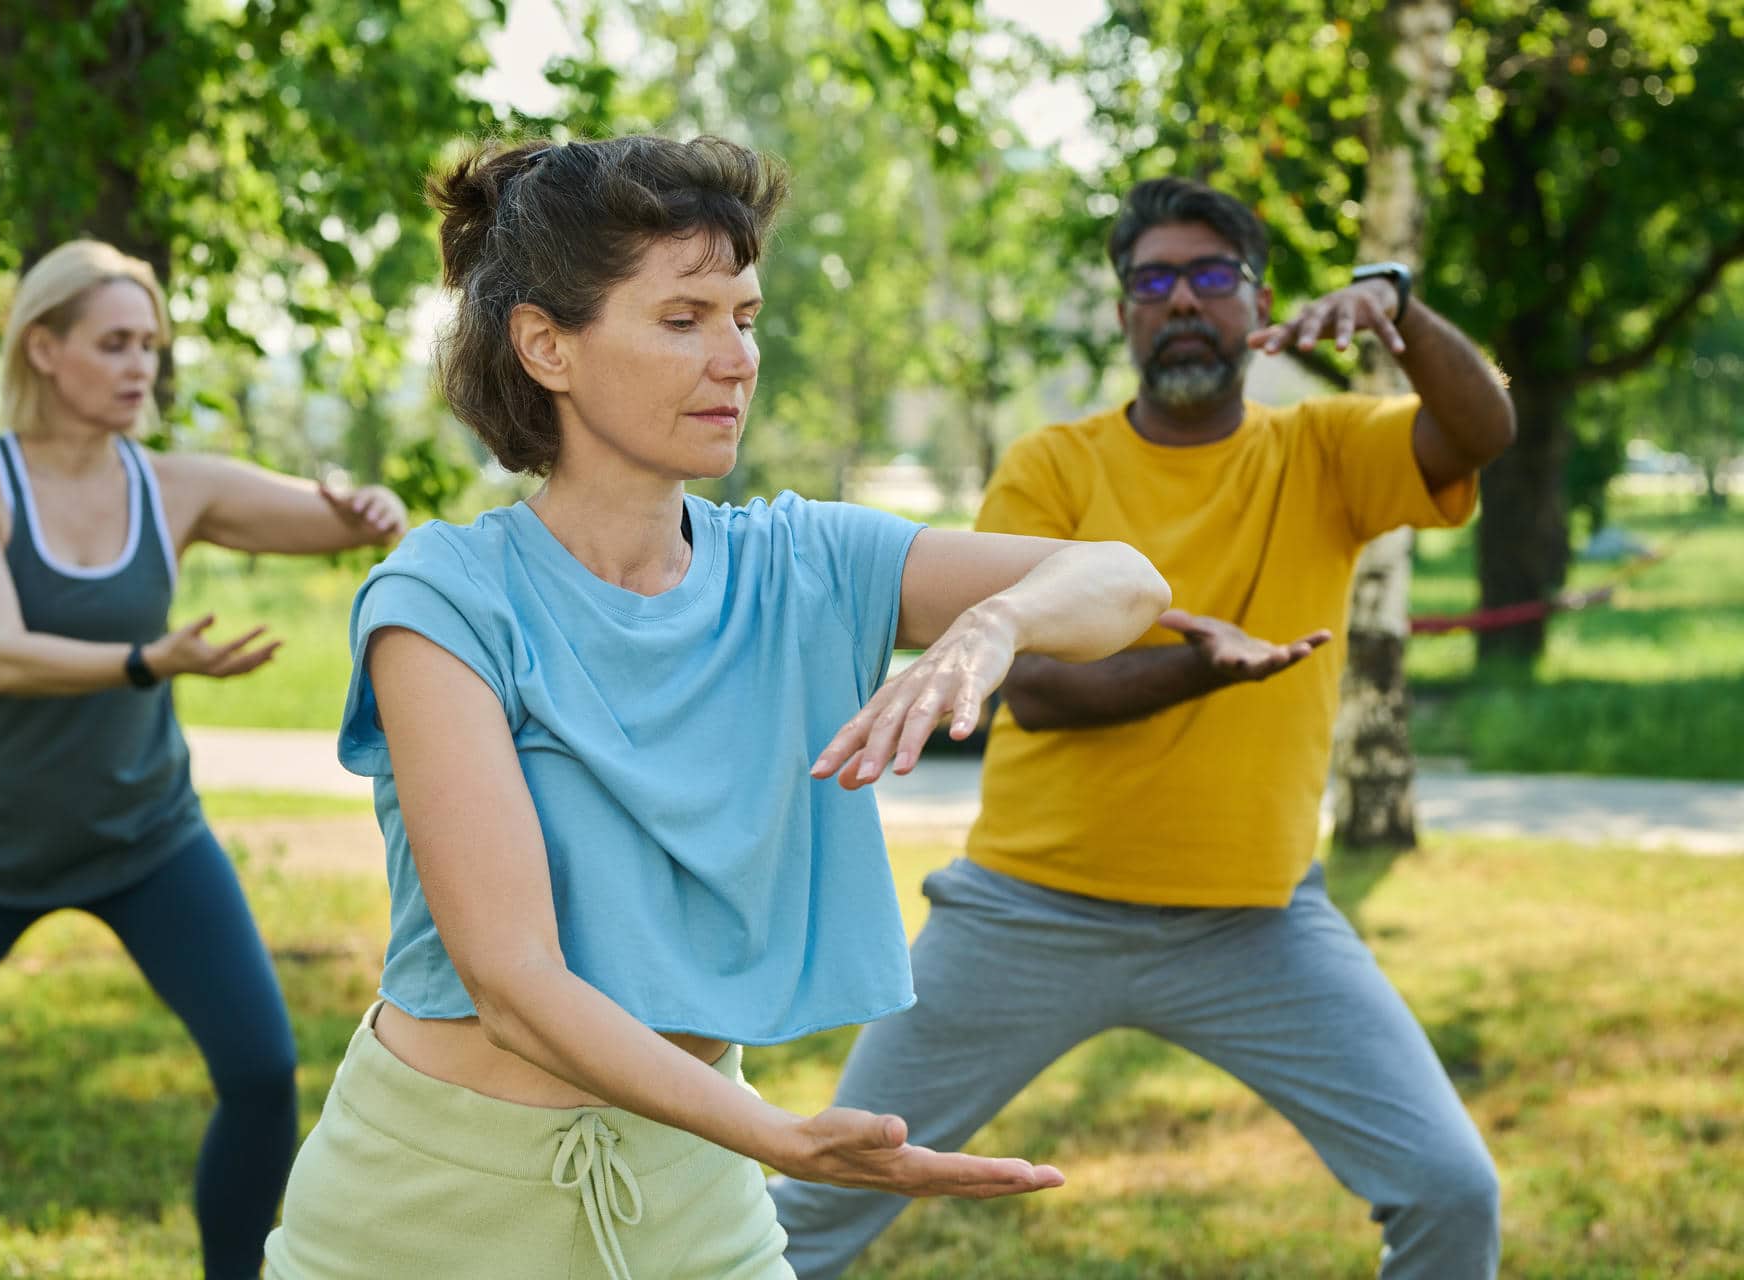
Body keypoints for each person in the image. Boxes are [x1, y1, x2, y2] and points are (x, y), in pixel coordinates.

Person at [260, 134, 1171, 1280]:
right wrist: (779, 1139)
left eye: (744, 316)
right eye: (684, 318)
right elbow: (513, 980)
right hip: (430, 1209)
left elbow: (1130, 580)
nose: (735, 357)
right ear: (547, 344)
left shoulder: (808, 560)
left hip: (692, 1203)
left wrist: (999, 620)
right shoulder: (443, 599)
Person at [770, 177, 1519, 1278]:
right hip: (1028, 916)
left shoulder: (1322, 452)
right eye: (1152, 280)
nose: (1181, 301)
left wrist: (1397, 311)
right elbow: (1037, 688)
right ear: (1123, 311)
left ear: (1257, 302)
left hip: (1256, 923)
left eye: (1211, 276)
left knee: (1454, 1190)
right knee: (823, 1197)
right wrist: (1197, 670)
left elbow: (1482, 428)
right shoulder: (1054, 467)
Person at [0, 239, 408, 1279]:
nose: (141, 365)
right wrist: (150, 659)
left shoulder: (173, 485)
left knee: (263, 1067)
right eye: (114, 342)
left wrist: (371, 509)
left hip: (148, 839)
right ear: (43, 349)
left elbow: (338, 524)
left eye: (151, 343)